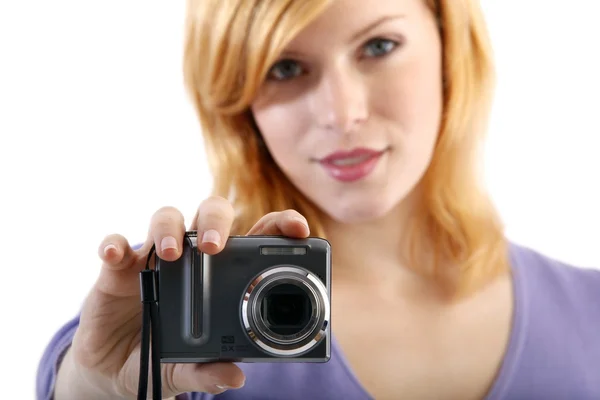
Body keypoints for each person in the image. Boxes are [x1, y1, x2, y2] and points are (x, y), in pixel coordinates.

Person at [37, 0, 600, 399]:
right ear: (239, 104)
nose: (340, 113)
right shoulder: (179, 312)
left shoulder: (591, 311)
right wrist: (93, 389)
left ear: (450, 47)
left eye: (379, 46)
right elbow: (96, 373)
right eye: (284, 68)